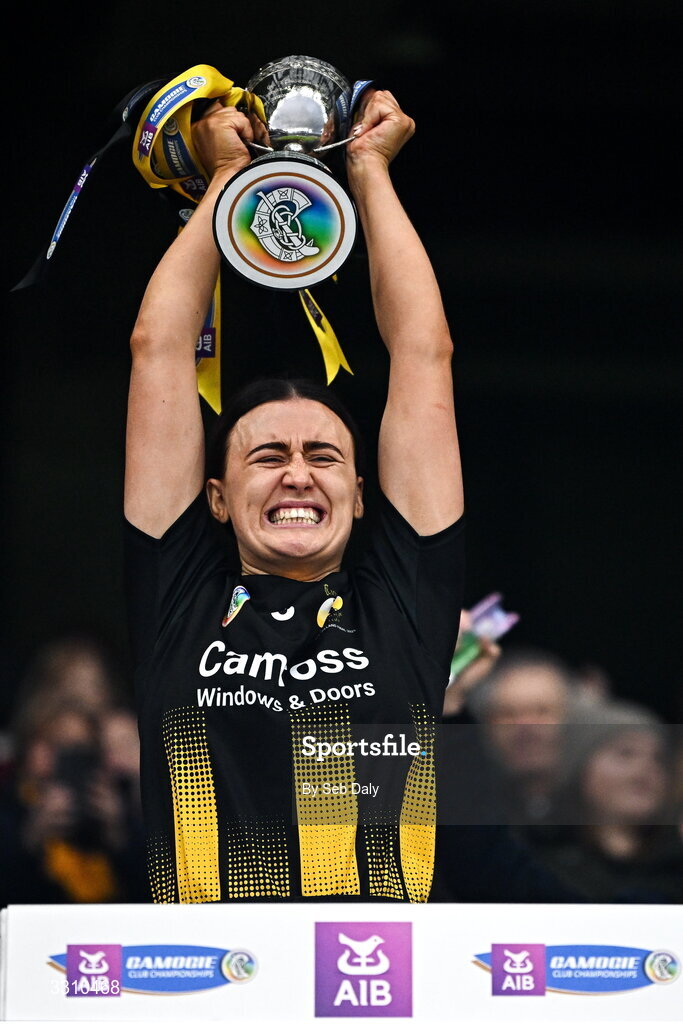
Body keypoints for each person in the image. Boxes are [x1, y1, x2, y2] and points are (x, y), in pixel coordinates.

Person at [124, 90, 464, 903]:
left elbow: (424, 353)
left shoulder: (401, 597)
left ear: (359, 488)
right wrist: (226, 181)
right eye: (266, 456)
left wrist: (369, 170)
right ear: (214, 495)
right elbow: (158, 350)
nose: (298, 474)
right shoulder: (179, 594)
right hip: (204, 983)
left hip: (373, 982)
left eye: (323, 456)